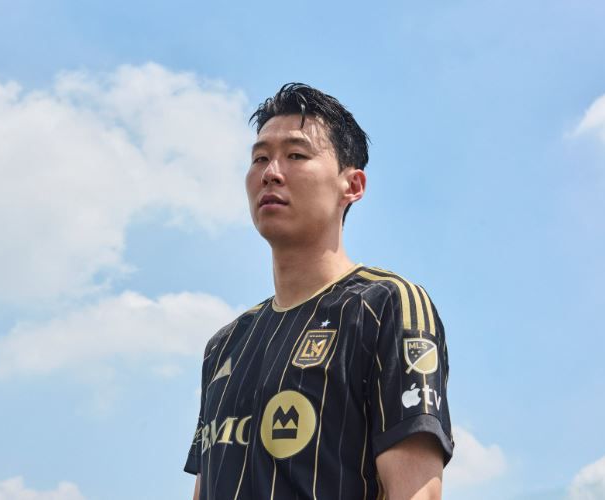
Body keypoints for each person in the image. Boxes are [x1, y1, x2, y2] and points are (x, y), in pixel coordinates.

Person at [184, 83, 453, 500]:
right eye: (259, 158)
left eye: (296, 155)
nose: (271, 172)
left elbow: (416, 493)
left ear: (353, 185)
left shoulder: (386, 305)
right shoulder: (224, 346)